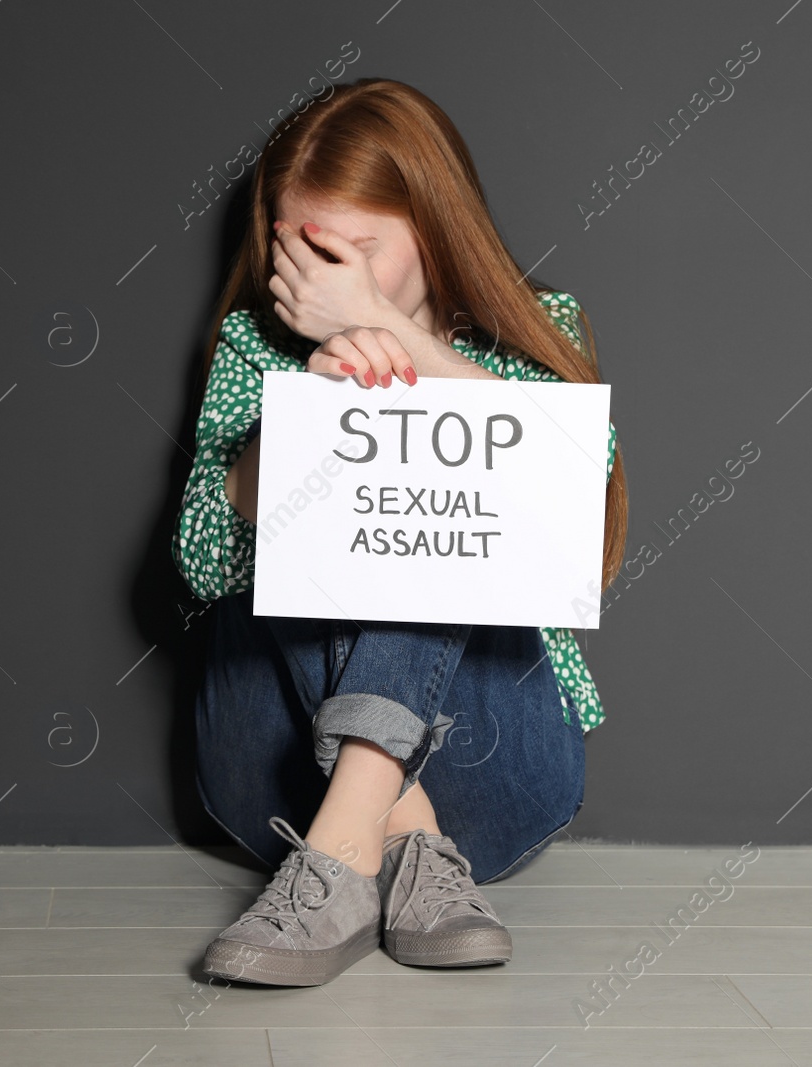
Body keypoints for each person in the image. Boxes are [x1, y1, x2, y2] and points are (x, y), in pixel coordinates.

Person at [170, 77, 628, 987]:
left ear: (432, 225)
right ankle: (391, 838)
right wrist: (307, 413)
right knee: (354, 505)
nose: (325, 279)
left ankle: (341, 863)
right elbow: (200, 562)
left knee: (438, 510)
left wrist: (397, 343)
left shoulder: (538, 333)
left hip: (496, 768)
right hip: (275, 781)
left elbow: (572, 511)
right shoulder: (252, 348)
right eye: (301, 251)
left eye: (358, 252)